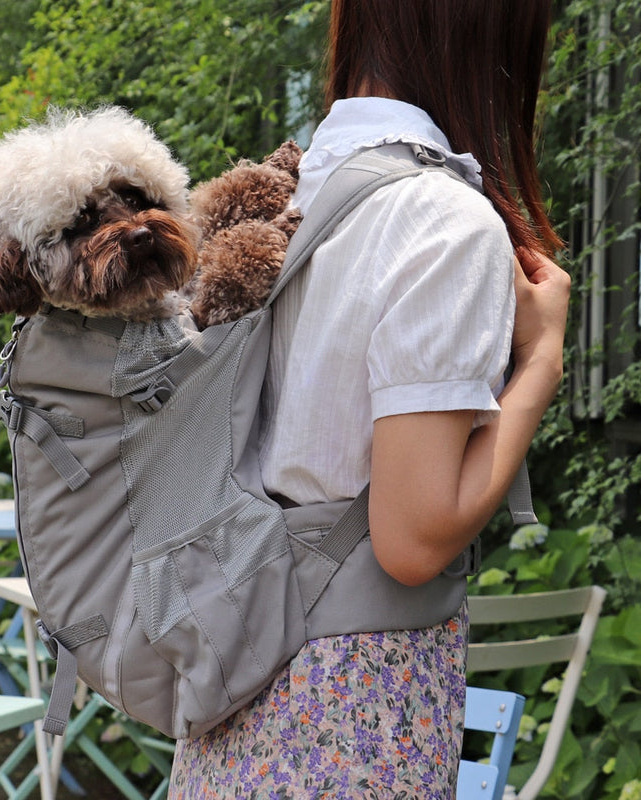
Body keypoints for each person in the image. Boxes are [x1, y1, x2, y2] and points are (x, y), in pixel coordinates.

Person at [168, 1, 570, 797]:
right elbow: (413, 540)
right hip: (349, 725)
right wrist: (542, 362)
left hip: (234, 695)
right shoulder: (444, 221)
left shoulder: (290, 195)